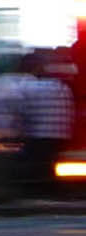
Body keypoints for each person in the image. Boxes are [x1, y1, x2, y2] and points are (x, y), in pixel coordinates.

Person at [19, 50, 74, 198]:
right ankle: (53, 191)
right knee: (51, 163)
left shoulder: (31, 87)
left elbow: (24, 110)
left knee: (38, 164)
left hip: (39, 132)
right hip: (60, 133)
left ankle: (37, 191)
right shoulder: (63, 88)